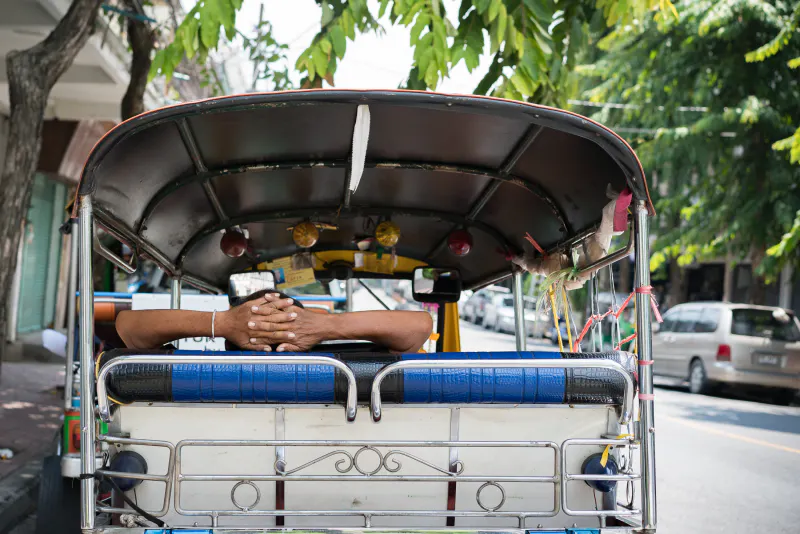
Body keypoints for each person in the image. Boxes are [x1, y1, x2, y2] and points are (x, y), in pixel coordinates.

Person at [115, 290, 433, 353]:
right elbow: (418, 328)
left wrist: (223, 323)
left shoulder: (204, 374)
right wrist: (324, 326)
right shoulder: (346, 373)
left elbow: (129, 330)